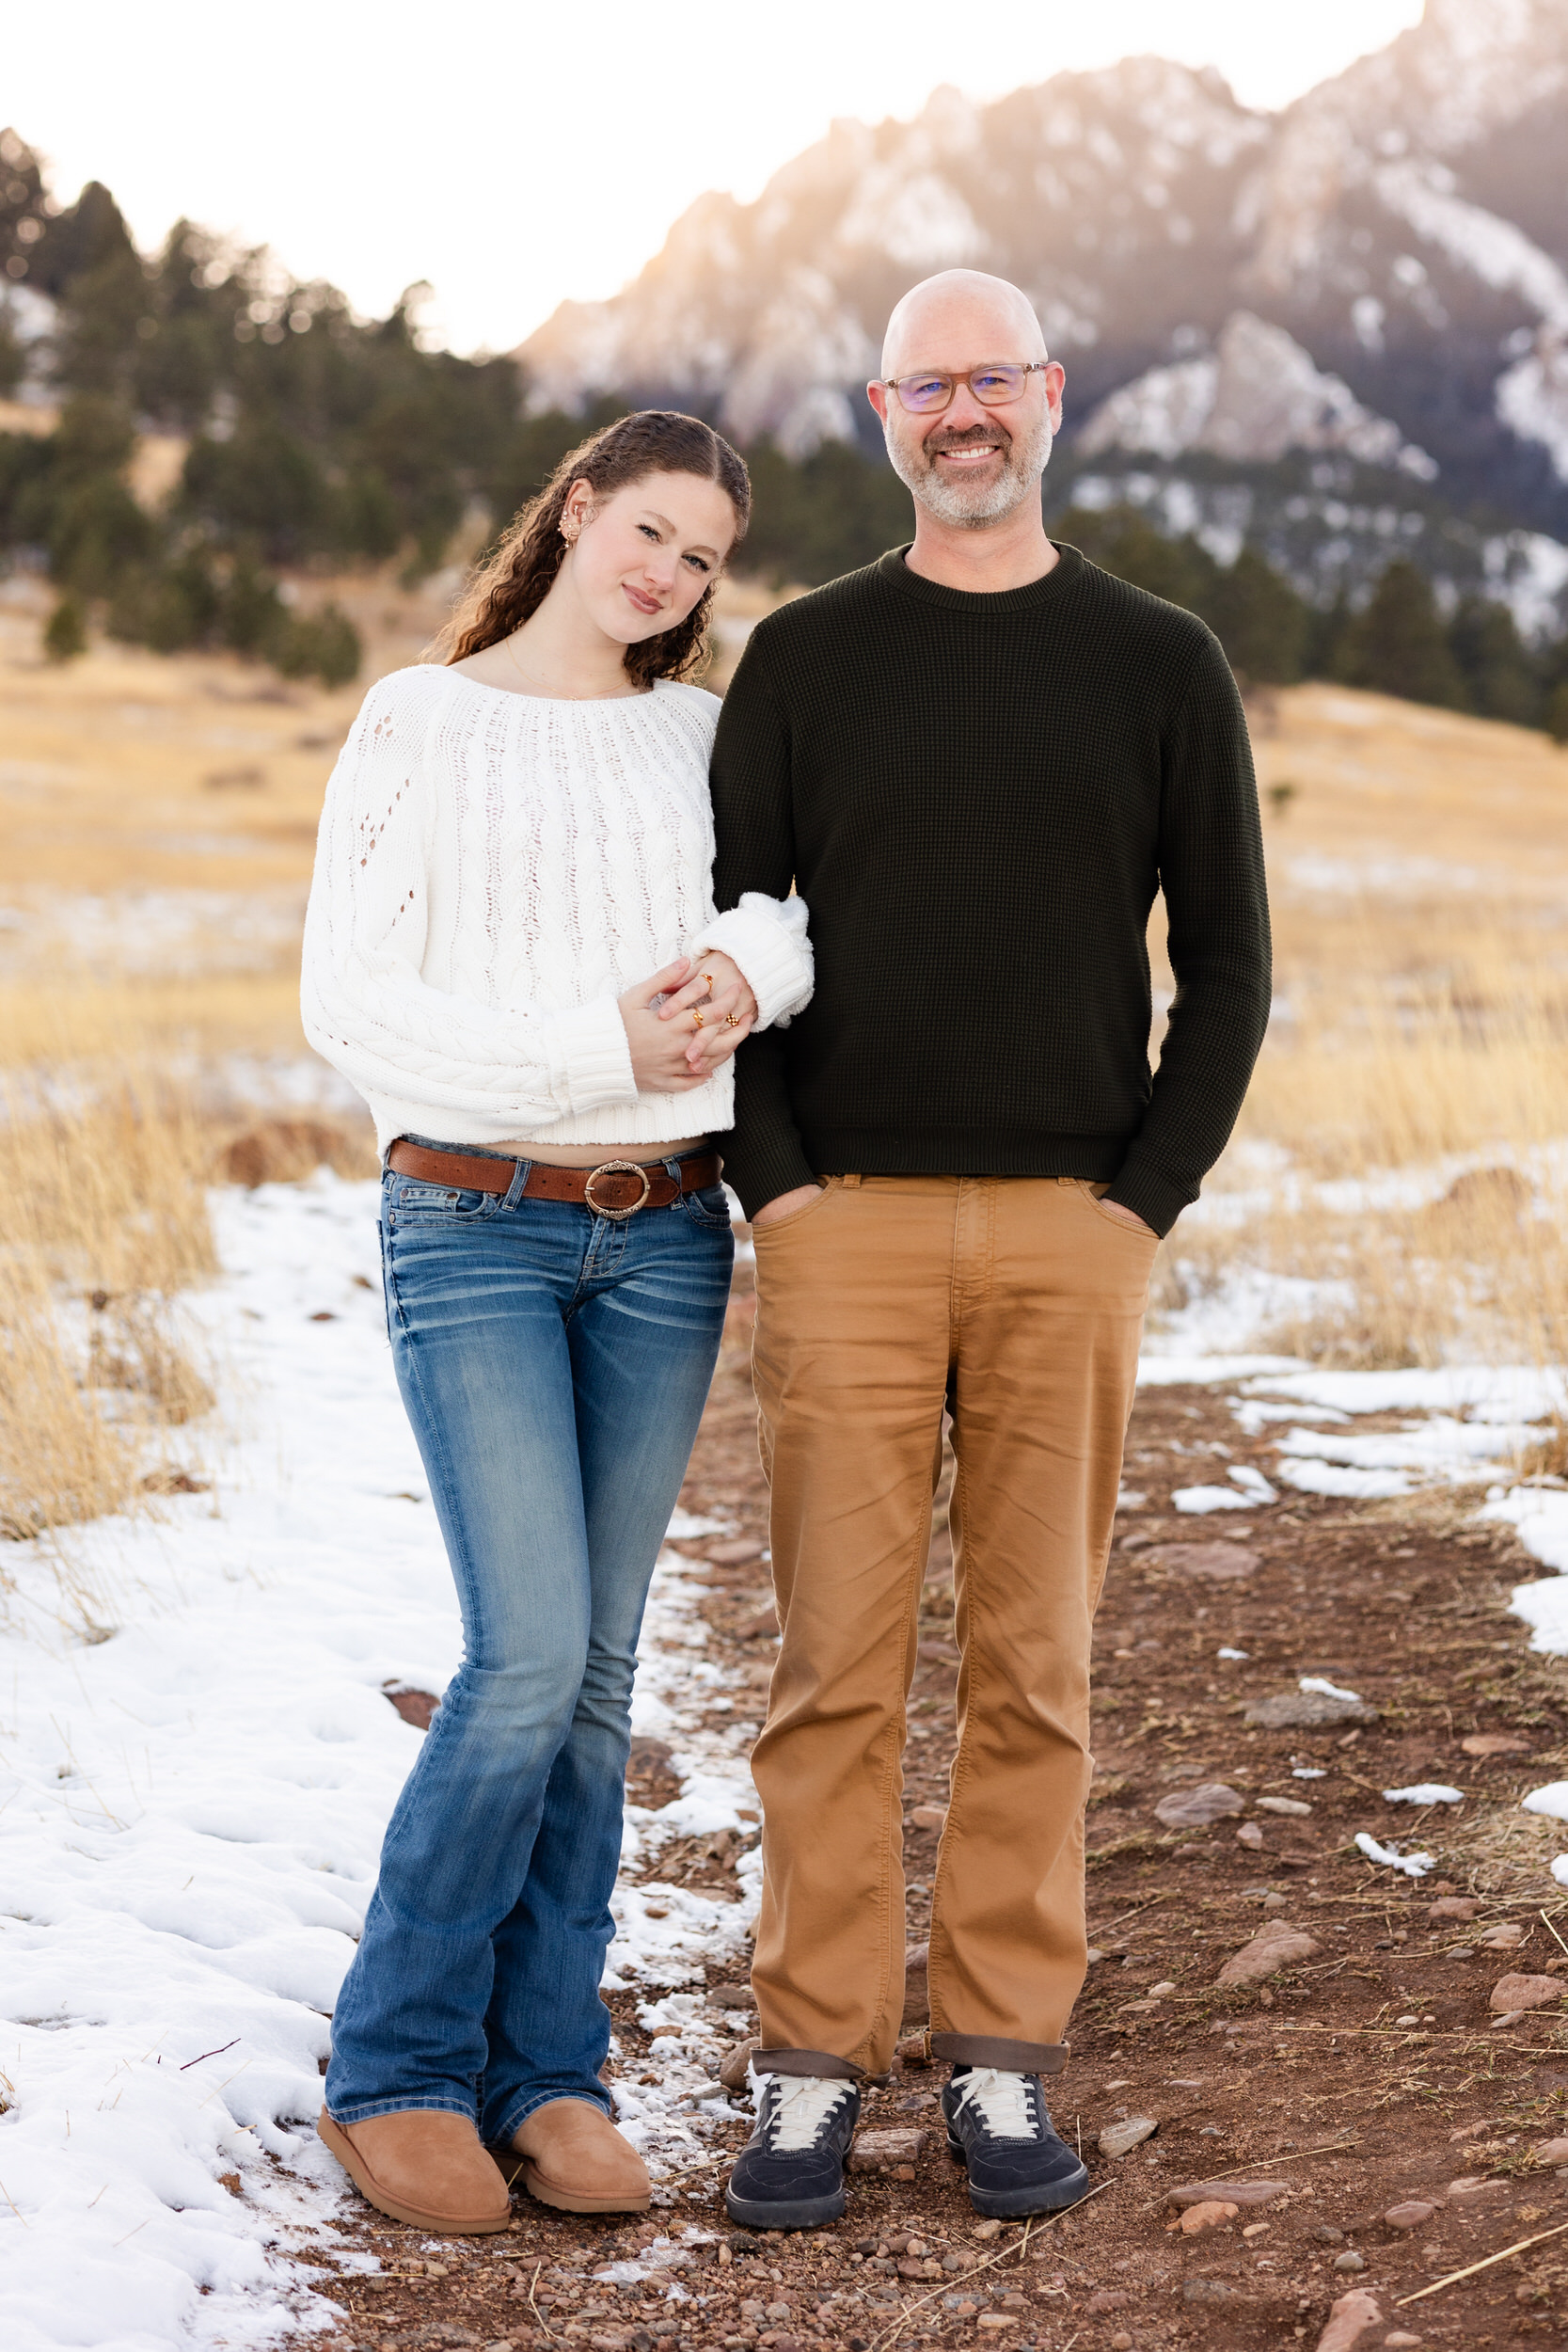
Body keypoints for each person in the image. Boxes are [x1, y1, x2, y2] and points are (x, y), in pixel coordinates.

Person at [709, 271, 1272, 2229]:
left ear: (1052, 400)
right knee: (832, 1661)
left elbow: (1231, 970)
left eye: (995, 379)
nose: (964, 412)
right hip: (843, 1223)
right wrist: (773, 1184)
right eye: (927, 382)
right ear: (883, 411)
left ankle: (1002, 2061)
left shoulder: (1161, 660)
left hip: (1068, 1230)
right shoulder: (801, 659)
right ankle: (806, 2063)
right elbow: (737, 940)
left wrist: (1140, 1207)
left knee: (1038, 1662)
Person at [300, 411, 814, 2236]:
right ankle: (398, 2060)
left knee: (598, 1671)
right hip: (473, 1223)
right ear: (578, 505)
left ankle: (549, 2062)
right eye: (649, 530)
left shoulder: (697, 731)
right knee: (522, 1652)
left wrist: (750, 969)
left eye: (702, 560)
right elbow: (348, 1000)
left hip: (665, 1239)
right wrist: (601, 1042)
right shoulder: (416, 722)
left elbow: (790, 904)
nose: (667, 576)